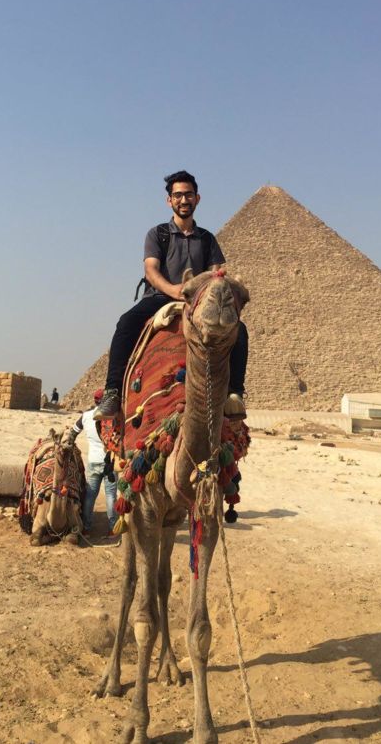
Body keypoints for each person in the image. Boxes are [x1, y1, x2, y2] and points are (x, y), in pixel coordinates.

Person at [95, 170, 248, 420]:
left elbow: (216, 274)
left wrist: (205, 291)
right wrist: (173, 290)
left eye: (188, 195)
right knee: (125, 323)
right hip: (159, 297)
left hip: (196, 302)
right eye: (178, 196)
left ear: (197, 198)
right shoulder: (158, 234)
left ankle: (235, 394)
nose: (183, 200)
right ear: (169, 201)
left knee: (238, 330)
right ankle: (112, 392)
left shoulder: (207, 239)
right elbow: (151, 270)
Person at [66, 389, 118, 534]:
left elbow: (73, 433)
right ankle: (113, 528)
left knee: (90, 495)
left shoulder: (86, 416)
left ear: (95, 401)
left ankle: (86, 527)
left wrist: (70, 446)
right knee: (111, 495)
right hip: (110, 461)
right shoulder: (113, 416)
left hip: (93, 461)